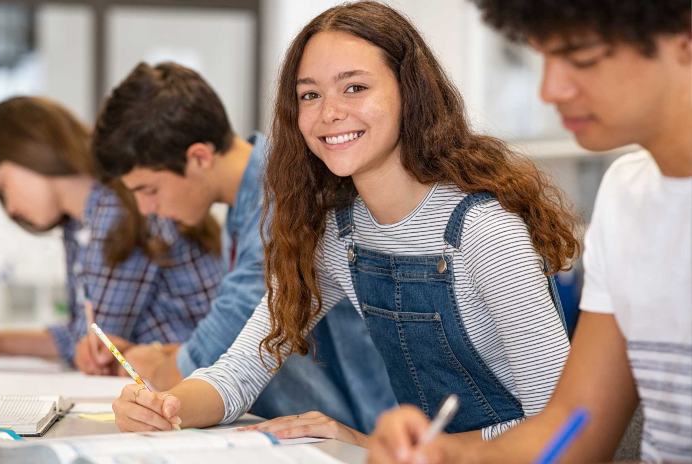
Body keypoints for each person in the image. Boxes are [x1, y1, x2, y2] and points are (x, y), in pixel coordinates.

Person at [111, 1, 579, 446]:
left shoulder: (483, 231)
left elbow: (562, 424)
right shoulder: (337, 234)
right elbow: (240, 370)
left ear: (409, 92)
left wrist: (375, 443)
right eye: (310, 95)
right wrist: (165, 406)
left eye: (355, 87)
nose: (329, 112)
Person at [368, 0, 692, 462]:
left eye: (581, 58)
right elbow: (573, 428)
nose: (550, 89)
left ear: (684, 37)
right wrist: (448, 456)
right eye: (544, 57)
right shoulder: (627, 194)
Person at [90, 61, 396, 436]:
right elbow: (241, 354)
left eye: (148, 190)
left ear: (199, 157)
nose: (146, 210)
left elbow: (211, 352)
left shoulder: (282, 200)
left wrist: (155, 364)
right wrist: (160, 362)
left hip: (355, 429)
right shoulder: (244, 204)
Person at [0, 96, 223, 371]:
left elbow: (95, 348)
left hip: (206, 380)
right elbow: (83, 334)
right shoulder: (81, 223)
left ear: (31, 151)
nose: (9, 209)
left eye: (2, 184)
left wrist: (2, 342)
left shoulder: (118, 212)